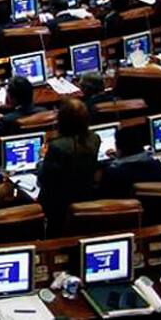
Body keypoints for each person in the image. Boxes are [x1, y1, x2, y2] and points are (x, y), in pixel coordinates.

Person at [39, 98, 100, 235]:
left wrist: (42, 159)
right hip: (85, 195)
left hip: (58, 205)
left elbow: (45, 178)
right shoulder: (95, 139)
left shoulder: (57, 147)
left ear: (62, 120)